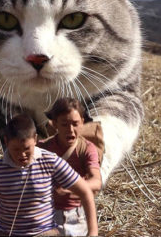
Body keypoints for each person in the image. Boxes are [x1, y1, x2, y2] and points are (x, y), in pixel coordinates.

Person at [0, 114, 98, 237]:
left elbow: (85, 191)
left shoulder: (50, 161)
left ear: (35, 139)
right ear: (6, 142)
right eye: (16, 149)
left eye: (27, 148)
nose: (22, 154)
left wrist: (93, 232)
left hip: (44, 233)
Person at [39, 98, 102, 236]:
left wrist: (72, 187)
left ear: (82, 123)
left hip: (76, 217)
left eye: (75, 124)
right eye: (64, 124)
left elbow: (96, 182)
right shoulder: (43, 149)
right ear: (54, 124)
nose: (71, 130)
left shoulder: (86, 148)